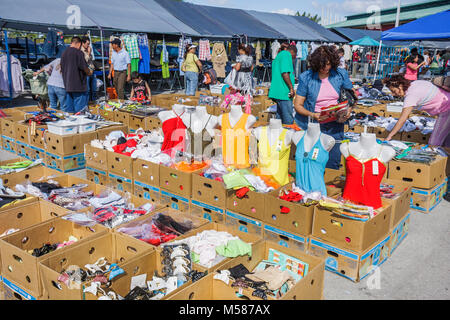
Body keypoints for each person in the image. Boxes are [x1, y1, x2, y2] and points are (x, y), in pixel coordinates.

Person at [294, 45, 354, 169]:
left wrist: (348, 111)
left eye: (328, 64)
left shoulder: (340, 74)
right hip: (314, 124)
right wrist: (313, 115)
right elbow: (298, 105)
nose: (325, 68)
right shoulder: (306, 77)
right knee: (312, 159)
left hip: (335, 124)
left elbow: (352, 97)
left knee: (332, 160)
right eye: (322, 65)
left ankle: (328, 186)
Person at [384, 75, 450, 147]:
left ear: (400, 87)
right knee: (445, 139)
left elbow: (402, 120)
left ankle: (441, 156)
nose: (393, 94)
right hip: (446, 104)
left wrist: (389, 136)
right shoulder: (415, 83)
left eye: (394, 91)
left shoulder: (411, 96)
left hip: (446, 109)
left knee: (434, 143)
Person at [60, 36, 93, 113]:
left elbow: (61, 68)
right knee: (80, 112)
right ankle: (80, 124)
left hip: (68, 85)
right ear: (79, 44)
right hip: (78, 86)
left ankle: (71, 124)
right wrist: (89, 72)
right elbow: (84, 67)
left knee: (70, 111)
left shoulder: (64, 53)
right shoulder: (78, 53)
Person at [268, 43, 297, 125]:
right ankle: (288, 137)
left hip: (278, 92)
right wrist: (291, 88)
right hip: (284, 92)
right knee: (288, 120)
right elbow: (285, 73)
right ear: (293, 53)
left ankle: (279, 137)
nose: (294, 58)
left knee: (279, 120)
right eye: (294, 56)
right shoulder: (286, 54)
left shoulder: (280, 55)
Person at [81, 36, 97, 103]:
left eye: (89, 44)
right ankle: (87, 103)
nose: (88, 45)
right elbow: (84, 61)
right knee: (87, 89)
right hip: (86, 73)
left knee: (93, 89)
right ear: (83, 43)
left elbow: (91, 60)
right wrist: (89, 53)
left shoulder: (88, 49)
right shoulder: (81, 51)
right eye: (87, 44)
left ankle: (93, 101)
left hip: (92, 71)